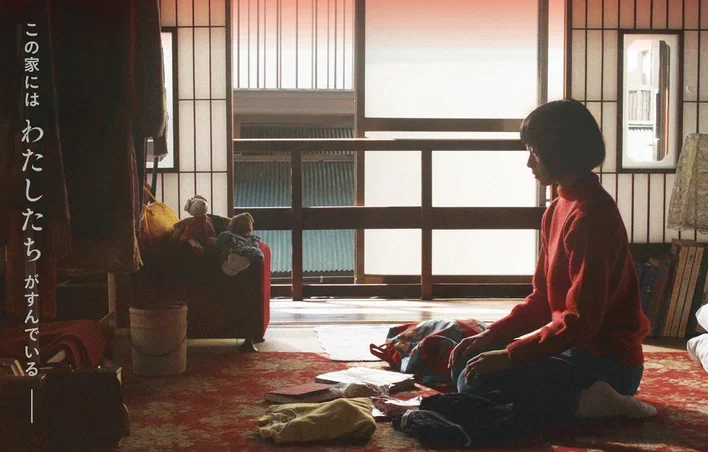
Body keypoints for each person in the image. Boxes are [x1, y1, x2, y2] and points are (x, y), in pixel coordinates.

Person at [448, 99, 655, 422]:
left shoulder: (592, 217)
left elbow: (582, 321)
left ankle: (598, 400)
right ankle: (570, 401)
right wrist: (492, 335)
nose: (528, 163)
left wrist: (510, 355)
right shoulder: (557, 209)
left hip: (608, 362)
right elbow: (543, 300)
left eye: (534, 152)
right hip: (571, 348)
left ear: (559, 151)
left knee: (476, 382)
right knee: (467, 361)